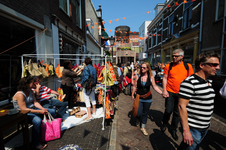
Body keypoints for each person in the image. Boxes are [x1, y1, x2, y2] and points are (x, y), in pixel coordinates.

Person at [178, 53, 220, 149]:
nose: (218, 67)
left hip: (204, 127)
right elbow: (181, 106)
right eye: (214, 65)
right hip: (193, 128)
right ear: (201, 65)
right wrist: (186, 131)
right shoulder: (189, 83)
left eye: (218, 65)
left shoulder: (208, 81)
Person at [12, 77, 55, 149]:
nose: (34, 83)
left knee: (51, 111)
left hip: (32, 109)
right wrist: (39, 111)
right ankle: (36, 144)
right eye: (32, 82)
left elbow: (35, 102)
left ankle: (49, 133)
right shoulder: (20, 94)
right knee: (37, 121)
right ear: (27, 84)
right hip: (23, 114)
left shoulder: (30, 91)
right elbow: (24, 109)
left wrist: (42, 108)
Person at [161, 49, 194, 141]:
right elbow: (165, 78)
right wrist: (164, 90)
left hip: (182, 93)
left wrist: (189, 92)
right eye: (173, 56)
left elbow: (190, 80)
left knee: (177, 113)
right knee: (168, 110)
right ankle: (164, 123)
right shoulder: (169, 66)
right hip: (170, 91)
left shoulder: (188, 66)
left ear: (181, 57)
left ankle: (173, 129)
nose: (174, 57)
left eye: (176, 56)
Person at [132, 62, 163, 136]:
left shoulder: (151, 77)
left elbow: (155, 87)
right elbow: (134, 86)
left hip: (148, 98)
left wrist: (162, 93)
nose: (142, 69)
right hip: (139, 97)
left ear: (148, 69)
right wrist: (132, 94)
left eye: (144, 68)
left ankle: (143, 127)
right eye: (141, 67)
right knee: (138, 113)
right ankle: (138, 119)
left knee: (145, 113)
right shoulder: (138, 76)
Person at [81, 57, 97, 122]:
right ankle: (94, 111)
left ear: (85, 63)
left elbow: (85, 78)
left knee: (87, 99)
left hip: (87, 86)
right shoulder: (94, 68)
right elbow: (95, 77)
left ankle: (89, 115)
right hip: (93, 85)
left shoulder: (86, 68)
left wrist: (82, 83)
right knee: (92, 97)